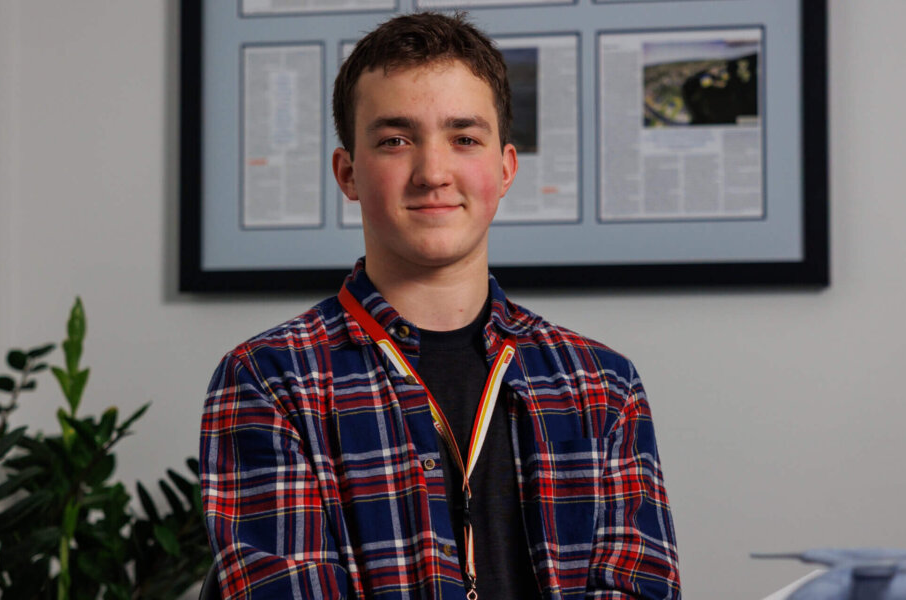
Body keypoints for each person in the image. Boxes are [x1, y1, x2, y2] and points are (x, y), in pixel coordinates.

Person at [201, 11, 680, 599]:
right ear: (348, 173)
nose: (432, 173)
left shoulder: (603, 385)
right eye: (395, 140)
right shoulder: (269, 380)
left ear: (504, 169)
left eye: (464, 138)